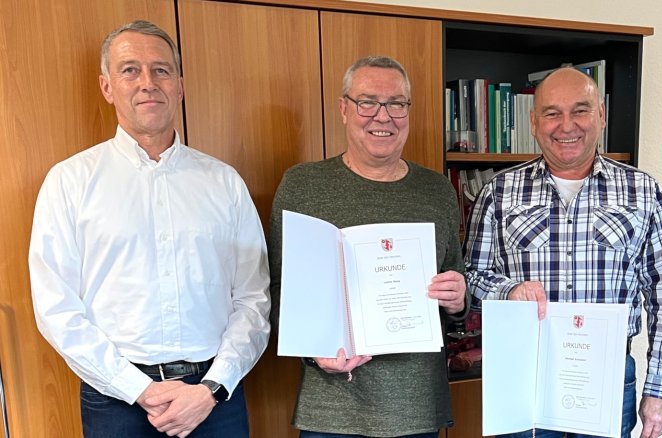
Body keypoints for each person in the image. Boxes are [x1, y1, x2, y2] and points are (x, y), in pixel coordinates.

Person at [28, 20, 270, 438]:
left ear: (179, 85)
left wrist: (213, 387)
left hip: (214, 397)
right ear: (107, 87)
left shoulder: (224, 182)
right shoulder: (69, 181)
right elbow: (57, 308)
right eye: (130, 70)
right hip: (115, 401)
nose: (147, 83)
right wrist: (135, 387)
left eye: (161, 70)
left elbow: (253, 298)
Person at [464, 67, 662, 438]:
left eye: (580, 110)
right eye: (552, 113)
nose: (566, 126)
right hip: (522, 373)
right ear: (534, 123)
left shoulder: (642, 191)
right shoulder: (498, 192)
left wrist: (660, 389)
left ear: (601, 115)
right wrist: (508, 291)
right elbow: (472, 278)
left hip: (608, 373)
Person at [268, 55, 468, 437]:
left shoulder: (438, 190)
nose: (382, 116)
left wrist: (458, 299)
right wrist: (313, 351)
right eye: (367, 102)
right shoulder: (302, 186)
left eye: (396, 103)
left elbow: (455, 292)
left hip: (416, 407)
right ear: (344, 109)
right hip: (331, 409)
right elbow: (279, 290)